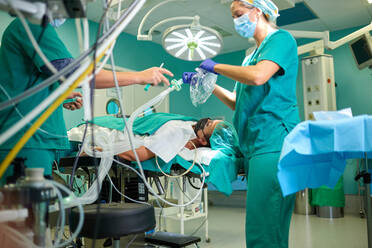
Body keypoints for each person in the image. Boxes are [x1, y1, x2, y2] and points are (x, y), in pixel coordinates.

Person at [0, 17, 173, 184]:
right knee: (25, 209)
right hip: (27, 140)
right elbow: (74, 73)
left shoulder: (29, 28)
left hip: (32, 138)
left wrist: (57, 98)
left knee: (29, 208)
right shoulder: (32, 23)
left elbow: (26, 84)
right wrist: (139, 76)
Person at [183, 0, 300, 247]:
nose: (236, 21)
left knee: (264, 230)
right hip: (255, 146)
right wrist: (206, 83)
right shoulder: (250, 59)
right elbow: (238, 102)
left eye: (238, 14)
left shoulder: (281, 40)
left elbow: (259, 77)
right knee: (266, 227)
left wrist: (217, 66)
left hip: (274, 143)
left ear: (257, 11)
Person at [69, 117, 223, 162]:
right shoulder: (186, 127)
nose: (206, 120)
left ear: (203, 141)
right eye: (210, 119)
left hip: (102, 134)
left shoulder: (180, 133)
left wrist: (100, 152)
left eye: (209, 124)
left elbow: (137, 155)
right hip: (99, 131)